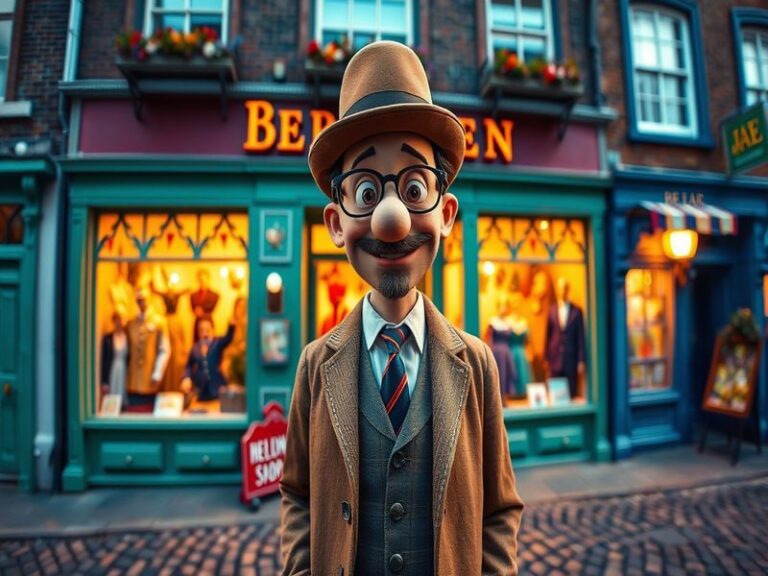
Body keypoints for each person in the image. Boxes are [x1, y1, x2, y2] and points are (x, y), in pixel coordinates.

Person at [280, 41, 524, 576]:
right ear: (336, 223)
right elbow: (297, 494)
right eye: (365, 192)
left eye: (414, 188)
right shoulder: (315, 365)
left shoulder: (478, 365)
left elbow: (500, 508)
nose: (392, 218)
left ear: (447, 213)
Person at [180, 314, 235, 402]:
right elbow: (189, 366)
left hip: (216, 387)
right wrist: (186, 378)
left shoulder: (217, 343)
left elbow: (228, 338)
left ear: (212, 330)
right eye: (201, 330)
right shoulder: (195, 348)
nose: (205, 333)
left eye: (207, 330)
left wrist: (231, 326)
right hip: (201, 389)